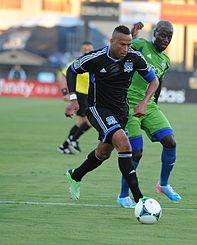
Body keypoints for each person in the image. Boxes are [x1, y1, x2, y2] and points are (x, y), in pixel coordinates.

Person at [64, 25, 159, 203]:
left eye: (129, 44)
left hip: (121, 112)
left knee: (103, 153)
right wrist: (73, 99)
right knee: (124, 144)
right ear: (112, 41)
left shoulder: (134, 57)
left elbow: (153, 80)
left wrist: (144, 102)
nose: (126, 49)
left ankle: (75, 175)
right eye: (122, 44)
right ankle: (140, 198)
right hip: (97, 108)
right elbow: (72, 70)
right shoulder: (96, 58)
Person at [117, 21, 182, 208]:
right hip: (128, 105)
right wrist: (132, 35)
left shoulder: (166, 60)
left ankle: (163, 184)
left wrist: (154, 103)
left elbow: (157, 82)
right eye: (163, 35)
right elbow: (122, 49)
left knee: (170, 141)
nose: (166, 39)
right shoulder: (141, 45)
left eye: (169, 37)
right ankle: (123, 196)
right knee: (135, 151)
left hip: (149, 106)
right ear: (154, 33)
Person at [58, 41, 94, 154]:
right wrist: (65, 93)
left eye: (89, 49)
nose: (87, 51)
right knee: (91, 121)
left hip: (89, 96)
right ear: (81, 50)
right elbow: (63, 76)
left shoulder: (94, 63)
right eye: (85, 49)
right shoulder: (76, 63)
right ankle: (73, 139)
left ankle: (64, 146)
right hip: (80, 95)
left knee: (80, 122)